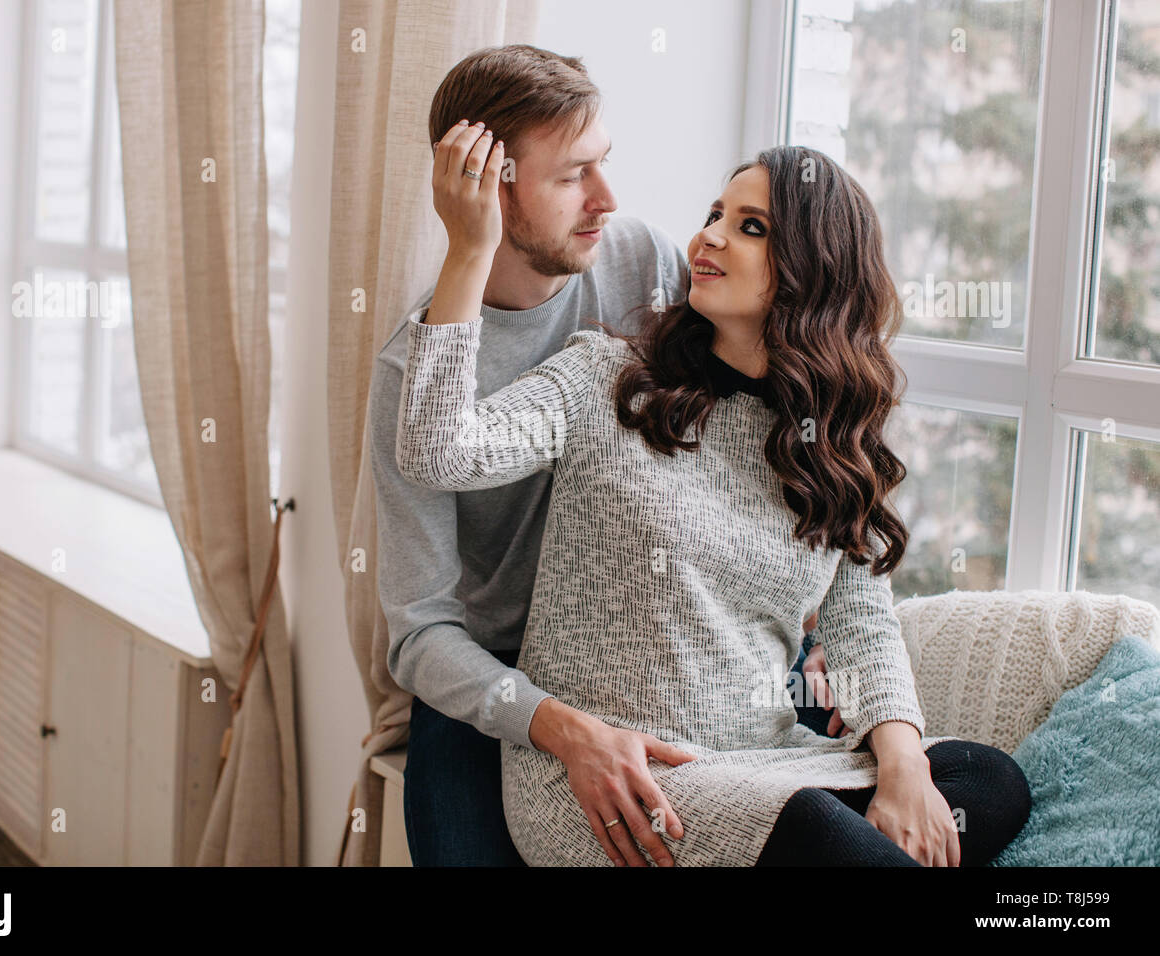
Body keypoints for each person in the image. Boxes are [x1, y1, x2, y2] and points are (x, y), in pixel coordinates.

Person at [394, 126, 1033, 866]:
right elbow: (441, 451)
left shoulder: (825, 444)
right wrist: (469, 250)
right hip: (621, 779)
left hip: (762, 758)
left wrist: (904, 769)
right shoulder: (601, 379)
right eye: (716, 214)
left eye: (749, 227)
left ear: (813, 270)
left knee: (982, 779)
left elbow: (861, 620)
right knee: (828, 839)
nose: (711, 237)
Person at [368, 44, 845, 867]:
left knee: (941, 790)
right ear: (488, 186)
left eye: (605, 164)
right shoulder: (416, 375)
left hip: (671, 643)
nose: (606, 200)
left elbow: (755, 431)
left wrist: (809, 611)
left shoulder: (643, 262)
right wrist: (565, 729)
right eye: (570, 177)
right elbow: (419, 635)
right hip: (502, 675)